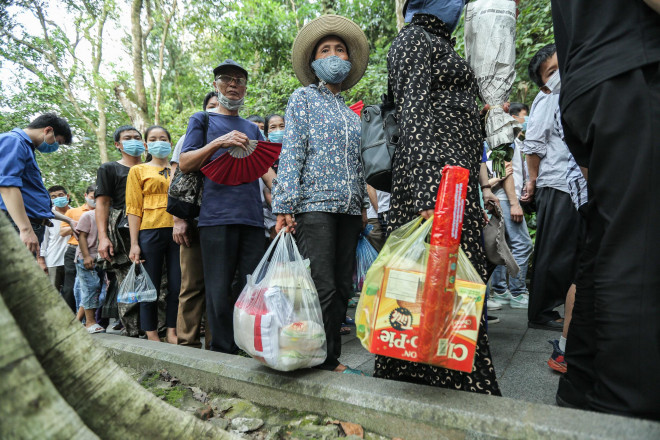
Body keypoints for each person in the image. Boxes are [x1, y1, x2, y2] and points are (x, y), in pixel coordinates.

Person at [372, 1, 501, 394]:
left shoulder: (442, 44)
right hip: (433, 188)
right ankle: (426, 385)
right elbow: (415, 117)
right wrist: (431, 196)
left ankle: (448, 380)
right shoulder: (412, 40)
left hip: (455, 186)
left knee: (452, 286)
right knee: (424, 286)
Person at [551, 0, 660, 419]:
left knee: (610, 245)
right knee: (640, 251)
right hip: (633, 63)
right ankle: (626, 413)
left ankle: (580, 394)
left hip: (593, 77)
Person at [272, 14, 370, 373]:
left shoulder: (351, 114)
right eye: (325, 49)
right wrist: (284, 205)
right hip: (314, 207)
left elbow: (359, 164)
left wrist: (361, 205)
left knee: (343, 287)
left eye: (340, 50)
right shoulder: (303, 99)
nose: (333, 55)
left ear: (348, 60)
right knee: (323, 286)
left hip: (348, 211)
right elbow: (293, 151)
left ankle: (327, 356)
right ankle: (322, 359)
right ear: (314, 63)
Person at [179, 59, 269, 354]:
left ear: (245, 88)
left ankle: (249, 347)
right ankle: (222, 353)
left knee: (252, 287)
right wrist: (219, 142)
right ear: (215, 86)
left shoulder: (252, 128)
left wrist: (283, 204)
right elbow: (185, 162)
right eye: (227, 79)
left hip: (253, 219)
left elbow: (266, 169)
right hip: (215, 218)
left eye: (240, 80)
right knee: (217, 290)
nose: (234, 84)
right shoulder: (201, 120)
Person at [520, 44, 581, 331]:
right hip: (555, 182)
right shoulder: (547, 100)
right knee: (553, 250)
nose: (559, 74)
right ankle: (541, 313)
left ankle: (555, 308)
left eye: (560, 66)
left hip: (572, 185)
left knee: (569, 248)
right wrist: (531, 181)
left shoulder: (574, 93)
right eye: (551, 72)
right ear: (544, 83)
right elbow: (533, 145)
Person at [172, 91, 220, 350]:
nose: (215, 111)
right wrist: (178, 220)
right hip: (193, 220)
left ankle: (216, 345)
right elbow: (176, 178)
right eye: (211, 107)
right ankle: (187, 344)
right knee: (191, 285)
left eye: (219, 107)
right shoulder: (188, 138)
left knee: (219, 286)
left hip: (221, 221)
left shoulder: (233, 136)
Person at [126, 125, 180, 344]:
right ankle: (151, 333)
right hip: (149, 231)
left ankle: (172, 331)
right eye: (154, 139)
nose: (160, 142)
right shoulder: (138, 170)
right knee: (150, 285)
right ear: (146, 145)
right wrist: (134, 243)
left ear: (170, 142)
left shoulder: (178, 169)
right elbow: (133, 207)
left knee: (177, 285)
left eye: (164, 138)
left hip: (178, 230)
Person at [0, 113, 75, 255]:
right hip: (17, 226)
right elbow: (7, 186)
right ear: (47, 130)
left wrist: (68, 220)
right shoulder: (13, 141)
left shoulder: (26, 148)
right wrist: (25, 229)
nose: (55, 147)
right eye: (57, 142)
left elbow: (30, 201)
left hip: (26, 225)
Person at [95, 125, 143, 336]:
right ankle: (133, 330)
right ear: (118, 144)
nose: (133, 140)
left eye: (137, 137)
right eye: (128, 138)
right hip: (121, 228)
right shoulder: (109, 169)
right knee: (128, 278)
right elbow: (103, 203)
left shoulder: (154, 167)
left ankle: (155, 328)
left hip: (152, 223)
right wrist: (103, 237)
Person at [488, 103, 533, 309]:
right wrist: (514, 203)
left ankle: (500, 291)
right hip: (505, 198)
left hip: (501, 197)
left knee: (500, 245)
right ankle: (517, 292)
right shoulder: (504, 135)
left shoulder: (501, 137)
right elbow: (502, 172)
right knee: (523, 244)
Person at [60, 186, 96, 313]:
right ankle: (70, 315)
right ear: (86, 195)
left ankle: (88, 319)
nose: (95, 200)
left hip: (93, 251)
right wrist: (81, 224)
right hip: (74, 249)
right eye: (92, 197)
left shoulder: (102, 212)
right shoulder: (73, 212)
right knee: (71, 286)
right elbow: (62, 232)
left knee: (91, 286)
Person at [74, 186, 105, 334]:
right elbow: (82, 237)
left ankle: (76, 322)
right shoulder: (88, 216)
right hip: (86, 258)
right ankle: (90, 322)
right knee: (91, 288)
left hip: (101, 259)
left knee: (93, 290)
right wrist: (86, 256)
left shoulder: (107, 214)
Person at [38, 185, 74, 293]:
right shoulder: (48, 215)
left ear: (67, 196)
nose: (57, 198)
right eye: (53, 197)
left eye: (60, 195)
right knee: (53, 292)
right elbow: (43, 240)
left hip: (73, 260)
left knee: (71, 292)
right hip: (54, 260)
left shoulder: (76, 213)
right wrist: (41, 260)